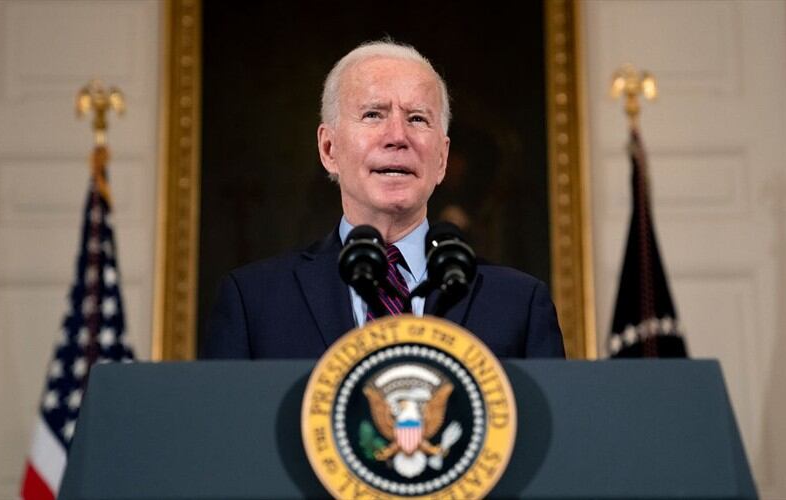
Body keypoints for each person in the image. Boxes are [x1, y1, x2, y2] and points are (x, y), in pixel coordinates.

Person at [203, 40, 565, 359]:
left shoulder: (519, 304)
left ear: (441, 158)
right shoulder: (254, 301)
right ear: (329, 149)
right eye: (373, 114)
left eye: (418, 118)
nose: (397, 136)